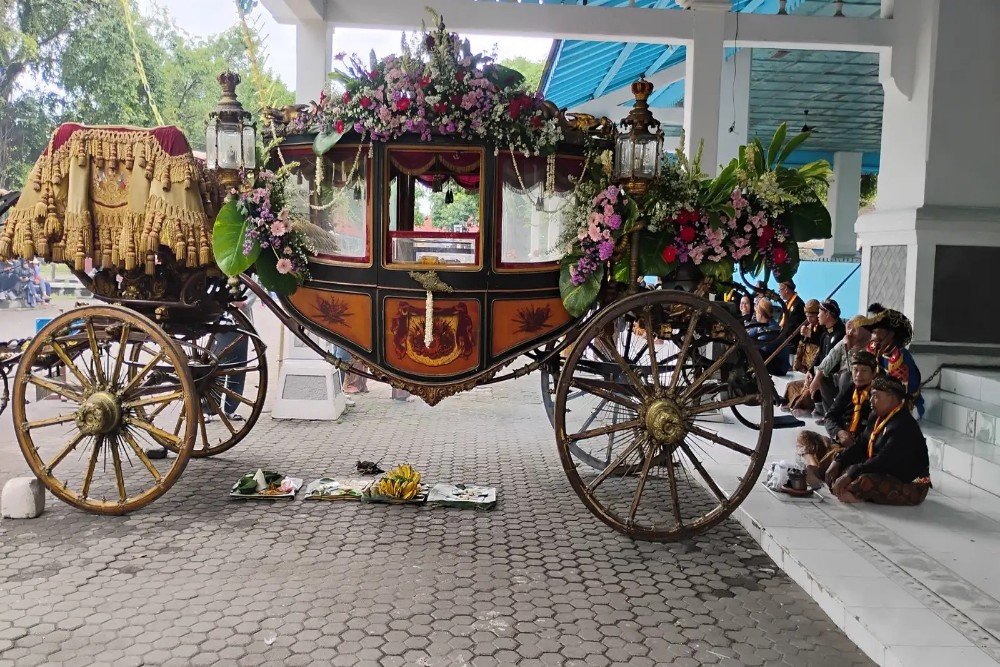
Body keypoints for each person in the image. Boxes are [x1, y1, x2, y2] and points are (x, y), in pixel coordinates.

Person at [825, 375, 931, 505]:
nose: (870, 400)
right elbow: (861, 445)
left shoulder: (904, 425)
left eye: (876, 396)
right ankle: (847, 490)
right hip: (881, 470)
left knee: (863, 479)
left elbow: (883, 460)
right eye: (871, 395)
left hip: (910, 483)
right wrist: (838, 461)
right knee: (840, 463)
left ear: (892, 398)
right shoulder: (875, 416)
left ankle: (855, 495)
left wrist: (851, 474)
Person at [796, 351, 877, 488]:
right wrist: (839, 433)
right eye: (856, 370)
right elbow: (830, 416)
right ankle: (813, 466)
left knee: (840, 460)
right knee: (804, 436)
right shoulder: (850, 388)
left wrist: (851, 442)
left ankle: (819, 470)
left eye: (864, 371)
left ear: (873, 374)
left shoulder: (876, 396)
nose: (858, 375)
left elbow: (870, 435)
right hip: (838, 442)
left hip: (855, 450)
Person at [860, 307, 925, 418]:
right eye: (873, 332)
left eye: (877, 332)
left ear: (890, 334)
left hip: (902, 404)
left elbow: (903, 390)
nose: (874, 337)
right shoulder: (875, 349)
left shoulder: (900, 356)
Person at [807, 314, 872, 414]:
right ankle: (830, 415)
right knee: (823, 377)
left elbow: (854, 368)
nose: (850, 333)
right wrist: (817, 377)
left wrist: (848, 348)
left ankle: (846, 416)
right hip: (841, 382)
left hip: (861, 382)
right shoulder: (845, 340)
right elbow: (830, 358)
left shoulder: (871, 345)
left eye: (854, 330)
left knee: (845, 377)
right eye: (849, 329)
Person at [748, 300, 789, 376]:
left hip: (778, 367)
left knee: (752, 351)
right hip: (771, 361)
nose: (755, 314)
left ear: (760, 314)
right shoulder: (762, 325)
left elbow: (764, 348)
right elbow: (748, 335)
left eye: (756, 312)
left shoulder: (772, 329)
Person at [777, 279, 805, 346]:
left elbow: (793, 326)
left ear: (786, 289)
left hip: (792, 344)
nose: (779, 292)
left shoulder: (798, 304)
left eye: (780, 289)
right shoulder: (785, 304)